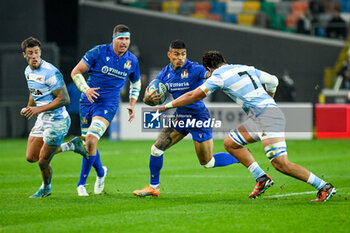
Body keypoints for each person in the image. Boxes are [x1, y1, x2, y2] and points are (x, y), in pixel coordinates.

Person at [158, 51, 336, 202]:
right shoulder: (245, 68)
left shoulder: (218, 76)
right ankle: (261, 177)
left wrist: (167, 105)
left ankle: (324, 186)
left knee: (281, 164)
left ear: (208, 69)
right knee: (230, 143)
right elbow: (273, 80)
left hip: (267, 117)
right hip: (262, 117)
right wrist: (269, 98)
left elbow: (194, 95)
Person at [133, 40, 239, 197]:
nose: (180, 58)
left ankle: (239, 156)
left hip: (198, 119)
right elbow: (149, 100)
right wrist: (148, 98)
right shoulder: (164, 74)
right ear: (169, 55)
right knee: (156, 149)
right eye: (176, 54)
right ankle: (153, 187)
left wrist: (215, 73)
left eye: (183, 54)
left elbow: (209, 75)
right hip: (180, 117)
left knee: (207, 163)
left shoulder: (194, 68)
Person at [71, 24, 141, 196]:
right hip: (87, 101)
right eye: (121, 39)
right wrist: (85, 89)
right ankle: (101, 173)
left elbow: (136, 82)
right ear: (114, 39)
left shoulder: (132, 60)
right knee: (88, 143)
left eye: (127, 39)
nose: (124, 42)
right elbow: (75, 72)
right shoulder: (98, 52)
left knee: (91, 140)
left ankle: (81, 184)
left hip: (107, 105)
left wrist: (132, 103)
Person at [20, 37, 87, 198]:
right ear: (24, 55)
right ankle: (72, 146)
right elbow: (33, 90)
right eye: (30, 53)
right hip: (42, 118)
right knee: (31, 157)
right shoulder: (28, 71)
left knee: (43, 161)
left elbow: (64, 99)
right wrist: (30, 107)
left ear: (40, 52)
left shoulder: (50, 72)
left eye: (36, 52)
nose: (34, 56)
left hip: (58, 121)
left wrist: (38, 109)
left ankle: (46, 187)